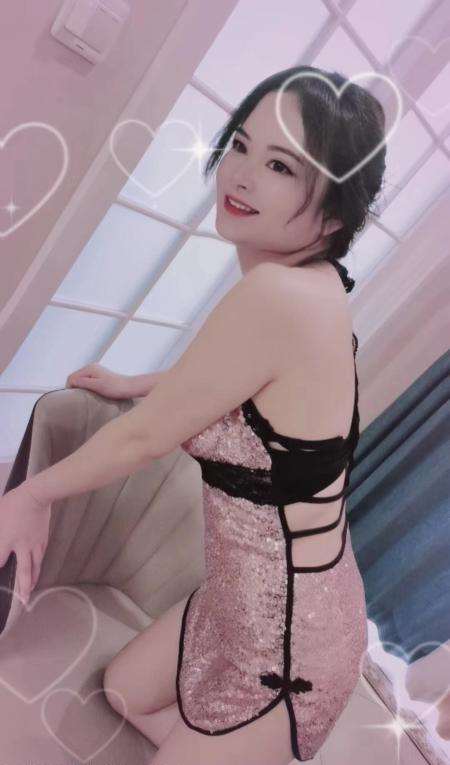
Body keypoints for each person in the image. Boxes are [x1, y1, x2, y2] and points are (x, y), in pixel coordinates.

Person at [1, 65, 387, 764]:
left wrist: (32, 494)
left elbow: (146, 438)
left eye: (280, 166)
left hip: (293, 646)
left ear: (335, 214)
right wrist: (139, 382)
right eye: (240, 145)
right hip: (242, 597)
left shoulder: (280, 296)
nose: (240, 174)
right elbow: (244, 390)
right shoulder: (316, 283)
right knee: (124, 690)